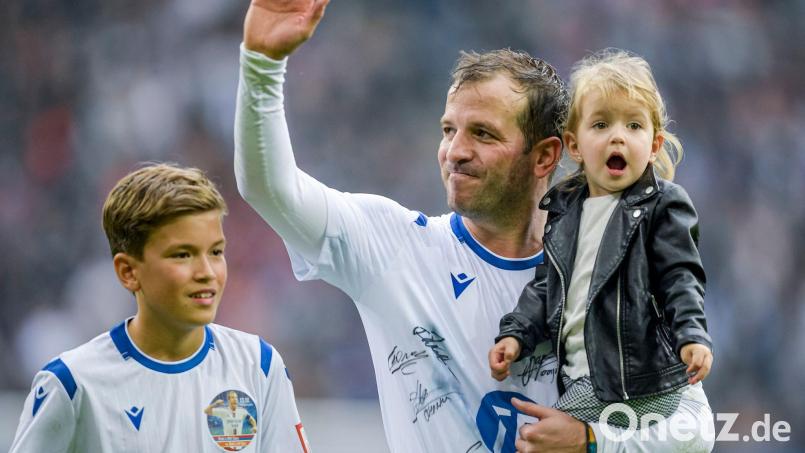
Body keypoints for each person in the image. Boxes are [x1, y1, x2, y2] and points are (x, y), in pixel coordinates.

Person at [236, 1, 711, 451]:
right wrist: (261, 65)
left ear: (545, 155)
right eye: (449, 130)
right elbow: (269, 189)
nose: (455, 151)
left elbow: (696, 429)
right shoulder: (393, 246)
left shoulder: (614, 268)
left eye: (482, 133)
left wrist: (593, 441)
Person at [490, 49, 714, 449]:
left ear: (654, 144)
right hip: (581, 379)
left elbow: (681, 278)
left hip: (639, 381)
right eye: (601, 124)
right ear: (574, 145)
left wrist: (692, 337)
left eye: (633, 125)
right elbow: (545, 288)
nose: (618, 136)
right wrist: (516, 334)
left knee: (541, 441)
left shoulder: (664, 205)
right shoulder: (563, 213)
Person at [10, 163, 310, 453]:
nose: (207, 271)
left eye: (216, 252)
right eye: (182, 255)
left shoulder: (259, 365)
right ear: (128, 271)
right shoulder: (72, 383)